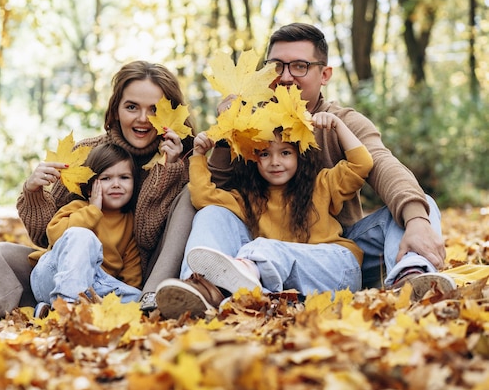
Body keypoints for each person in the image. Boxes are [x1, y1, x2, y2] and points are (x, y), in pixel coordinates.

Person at [140, 22, 454, 314]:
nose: (286, 76)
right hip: (251, 254)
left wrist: (416, 219)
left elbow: (382, 165)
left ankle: (410, 277)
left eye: (300, 66)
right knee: (210, 212)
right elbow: (215, 192)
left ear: (325, 74)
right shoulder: (251, 124)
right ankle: (203, 289)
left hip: (332, 250)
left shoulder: (341, 122)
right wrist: (227, 130)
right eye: (277, 67)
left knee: (420, 205)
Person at [0, 61, 195, 322]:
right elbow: (47, 238)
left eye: (154, 110)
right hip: (76, 271)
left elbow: (148, 238)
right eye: (131, 107)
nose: (142, 118)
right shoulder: (87, 155)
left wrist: (169, 170)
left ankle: (144, 304)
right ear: (115, 110)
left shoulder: (184, 159)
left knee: (187, 199)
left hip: (140, 282)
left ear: (171, 113)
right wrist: (34, 194)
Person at [156, 111, 373, 319]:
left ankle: (244, 271)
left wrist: (337, 124)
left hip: (336, 270)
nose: (275, 162)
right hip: (291, 287)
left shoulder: (322, 184)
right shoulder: (250, 200)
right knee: (210, 213)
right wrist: (199, 155)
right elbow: (203, 197)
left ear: (300, 155)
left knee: (262, 247)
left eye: (285, 152)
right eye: (265, 154)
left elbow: (361, 164)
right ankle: (198, 288)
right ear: (253, 158)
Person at [30, 143, 142, 316]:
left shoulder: (128, 222)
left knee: (136, 298)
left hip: (94, 287)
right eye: (106, 178)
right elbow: (54, 235)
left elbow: (131, 272)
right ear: (90, 188)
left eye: (124, 177)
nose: (116, 184)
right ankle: (66, 308)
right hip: (54, 275)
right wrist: (93, 211)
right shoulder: (78, 207)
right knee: (82, 235)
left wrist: (129, 291)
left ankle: (51, 311)